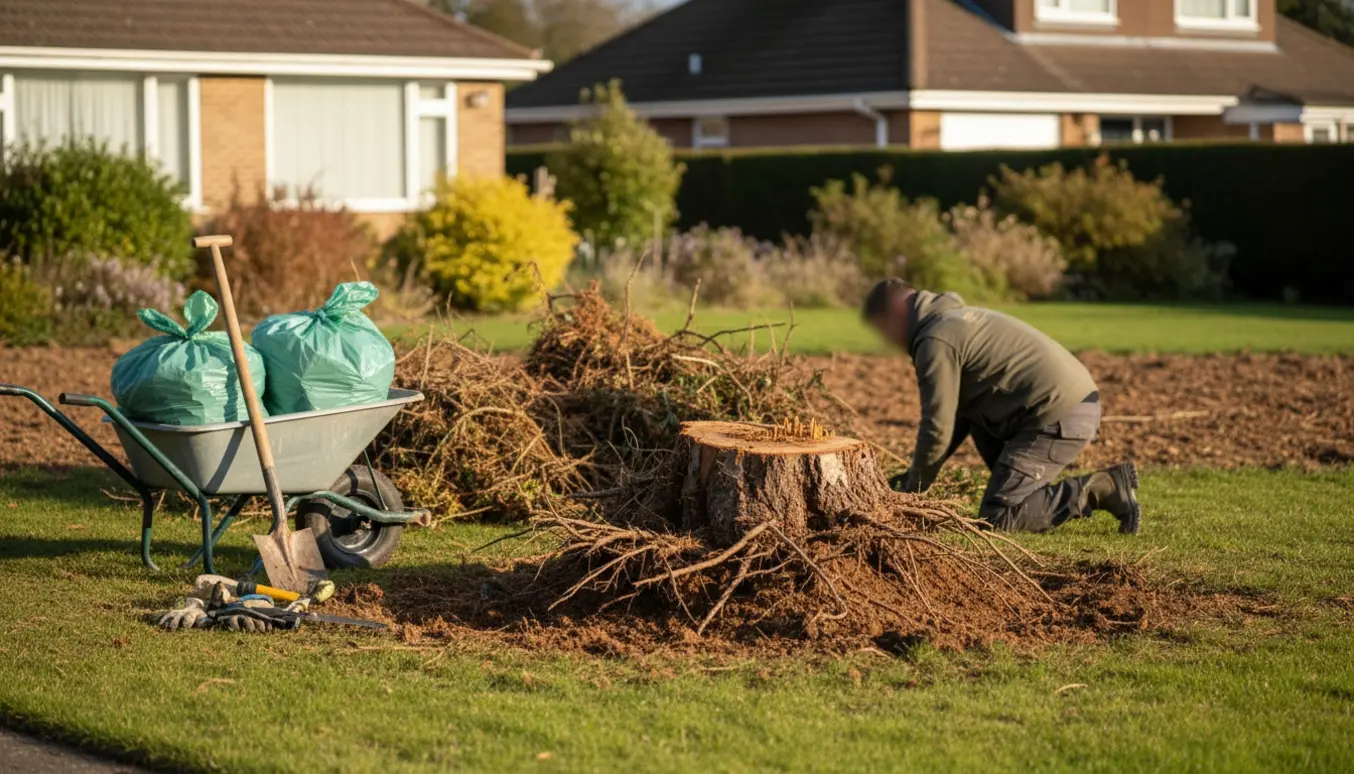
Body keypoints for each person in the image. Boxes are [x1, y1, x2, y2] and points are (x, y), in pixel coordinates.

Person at [862, 278, 1141, 534]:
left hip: (1058, 413)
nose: (887, 340)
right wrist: (915, 479)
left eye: (883, 329)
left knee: (998, 517)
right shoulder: (950, 321)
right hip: (1059, 407)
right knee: (975, 420)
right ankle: (1028, 492)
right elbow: (957, 416)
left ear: (896, 312)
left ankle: (1105, 488)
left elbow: (937, 426)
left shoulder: (936, 340)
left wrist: (913, 489)